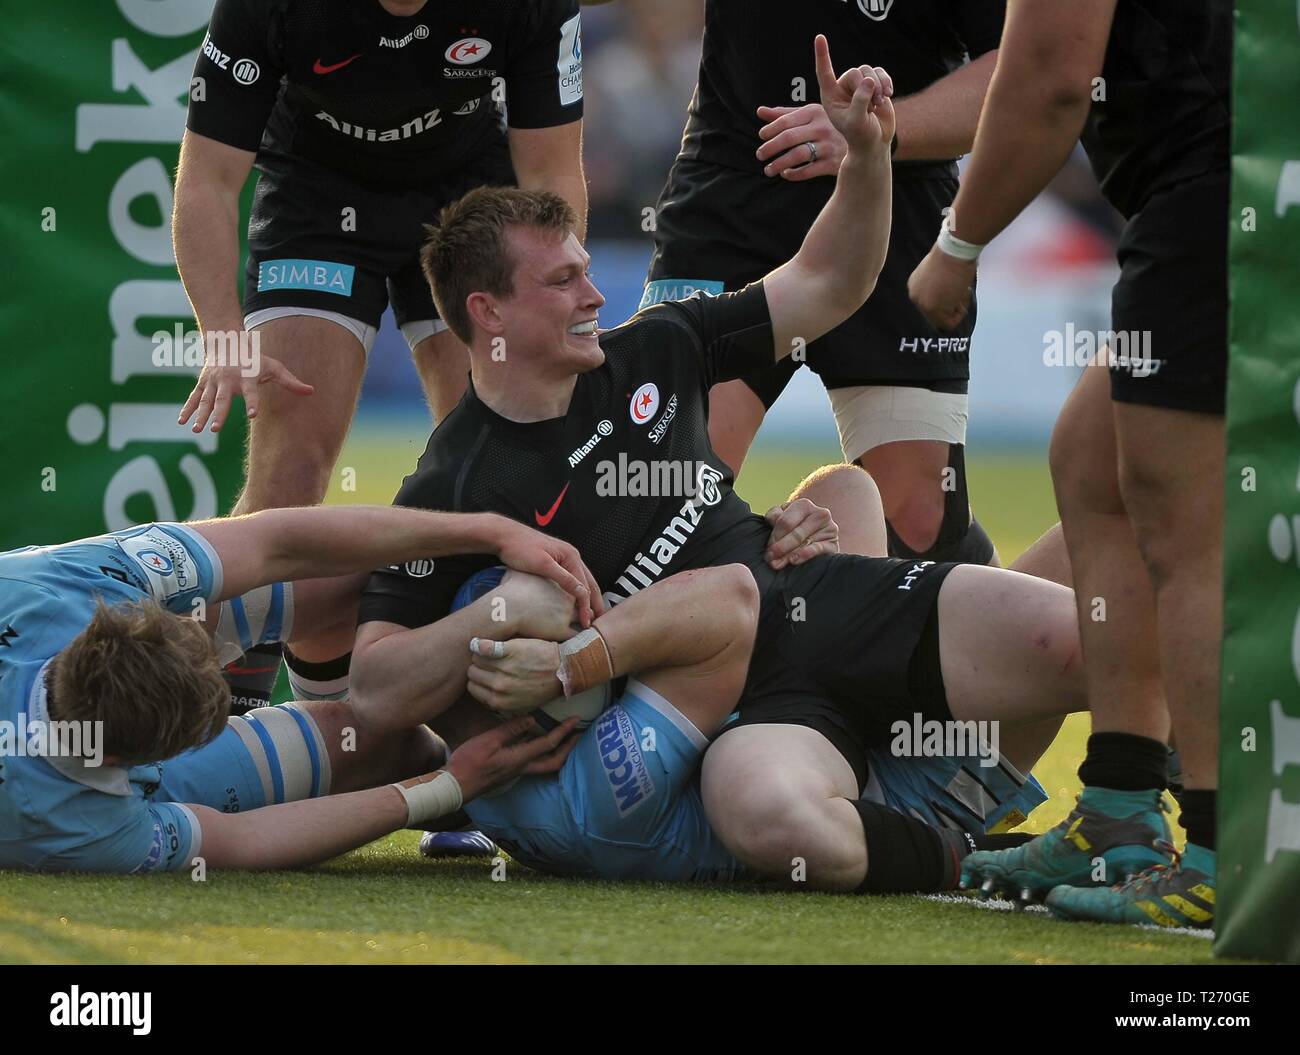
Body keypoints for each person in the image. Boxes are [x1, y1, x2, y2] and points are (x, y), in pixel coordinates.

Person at [350, 43, 1087, 893]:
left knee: (1077, 634)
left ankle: (1186, 800)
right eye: (564, 281)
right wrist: (487, 647)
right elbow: (373, 685)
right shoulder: (455, 482)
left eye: (588, 272)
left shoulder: (656, 345)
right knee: (775, 819)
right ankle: (958, 852)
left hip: (828, 602)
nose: (595, 296)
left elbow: (830, 280)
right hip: (746, 714)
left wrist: (868, 159)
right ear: (490, 313)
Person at [908, 0, 1228, 926]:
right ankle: (1119, 807)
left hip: (1223, 184)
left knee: (1187, 521)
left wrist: (958, 244)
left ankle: (1222, 847)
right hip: (1220, 177)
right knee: (1095, 458)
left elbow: (1050, 74)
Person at [173, 0, 588, 704]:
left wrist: (559, 302)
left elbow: (551, 174)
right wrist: (221, 333)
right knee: (288, 477)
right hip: (317, 193)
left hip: (468, 199)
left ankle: (433, 741)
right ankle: (196, 718)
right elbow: (207, 181)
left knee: (502, 470)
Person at [0, 505, 594, 873]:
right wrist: (448, 784)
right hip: (67, 778)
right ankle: (457, 766)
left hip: (84, 679)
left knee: (365, 576)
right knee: (381, 747)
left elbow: (275, 542)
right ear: (123, 763)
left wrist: (486, 531)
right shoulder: (75, 828)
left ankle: (373, 676)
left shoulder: (61, 582)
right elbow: (244, 841)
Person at [644, 2, 1016, 573]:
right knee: (661, 496)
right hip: (732, 199)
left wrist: (876, 137)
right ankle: (698, 638)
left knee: (921, 528)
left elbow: (1018, 71)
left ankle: (987, 618)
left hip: (899, 197)